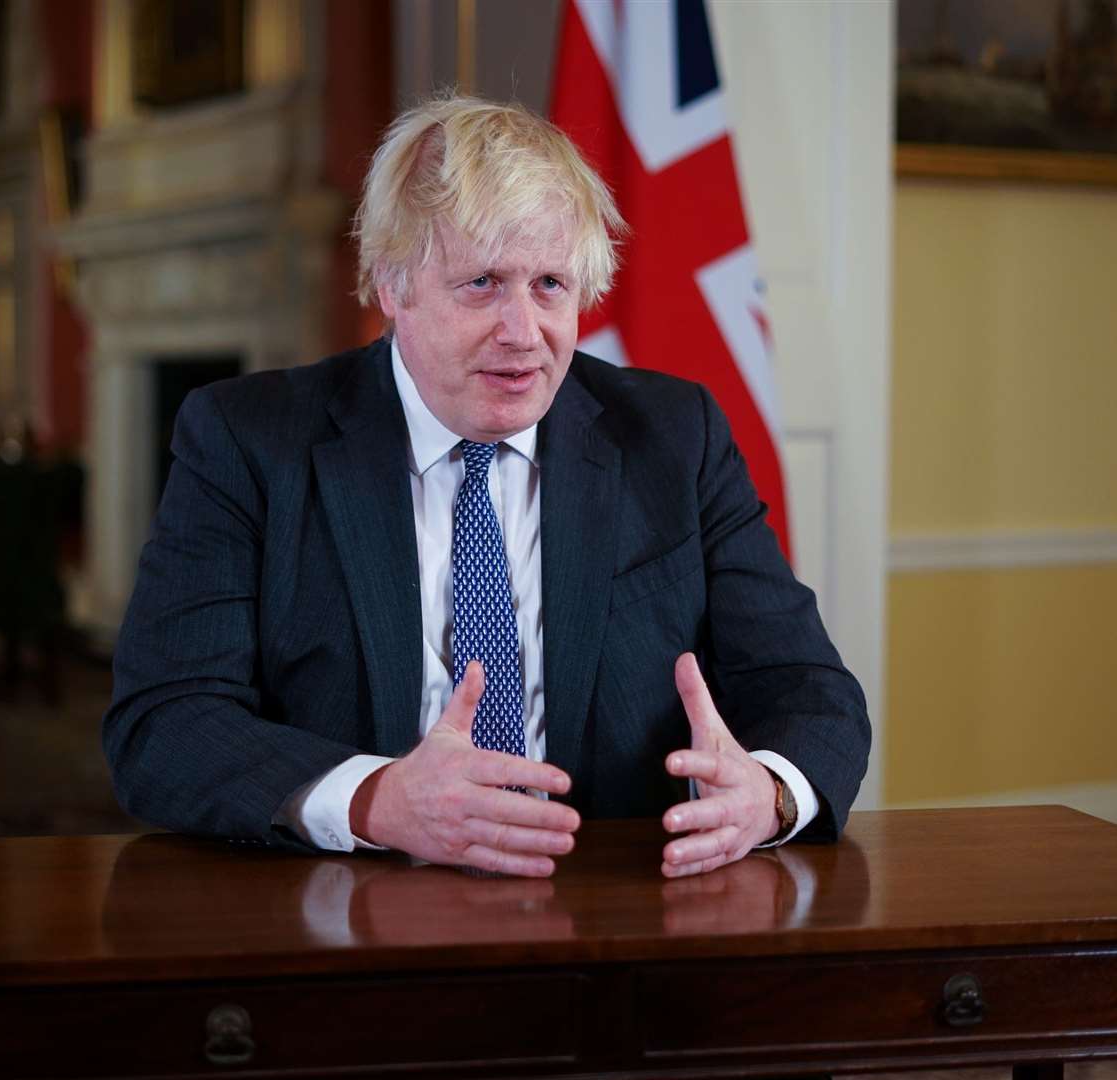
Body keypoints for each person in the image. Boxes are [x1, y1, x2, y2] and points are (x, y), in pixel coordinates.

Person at [103, 95, 869, 879]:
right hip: (351, 910)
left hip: (618, 913)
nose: (522, 331)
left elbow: (812, 692)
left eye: (549, 285)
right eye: (481, 283)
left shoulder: (674, 436)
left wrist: (769, 793)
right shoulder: (248, 440)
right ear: (392, 286)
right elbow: (164, 724)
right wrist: (376, 800)